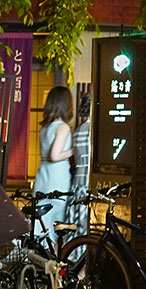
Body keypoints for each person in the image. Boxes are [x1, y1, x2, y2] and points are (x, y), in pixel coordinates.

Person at [33, 86, 74, 242]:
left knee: (40, 222)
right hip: (57, 178)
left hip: (42, 176)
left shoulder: (45, 128)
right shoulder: (63, 128)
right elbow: (55, 155)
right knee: (55, 223)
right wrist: (72, 151)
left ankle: (30, 256)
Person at [65, 92, 91, 236]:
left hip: (77, 181)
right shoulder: (93, 131)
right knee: (85, 225)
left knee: (75, 223)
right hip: (88, 180)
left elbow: (74, 159)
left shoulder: (78, 131)